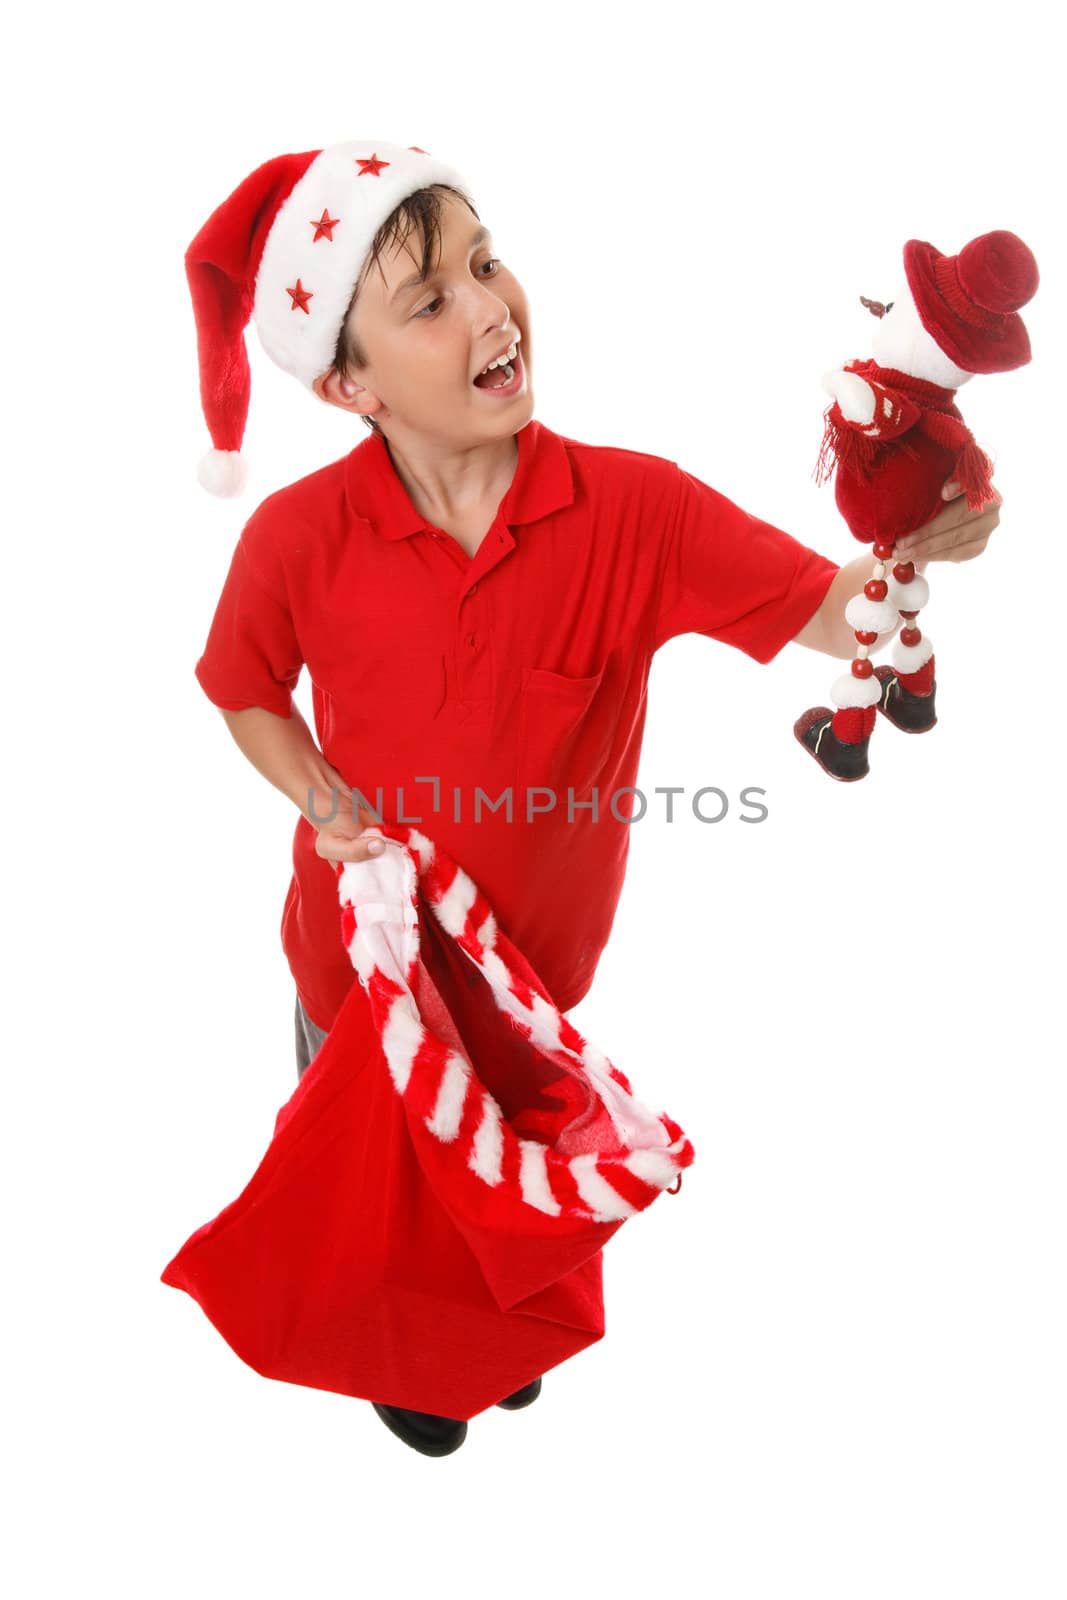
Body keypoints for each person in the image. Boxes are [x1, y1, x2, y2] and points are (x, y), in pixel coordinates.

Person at [185, 138, 1003, 1456]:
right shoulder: (297, 538)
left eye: (487, 261)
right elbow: (242, 689)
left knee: (507, 1231)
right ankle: (414, 1363)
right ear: (349, 382)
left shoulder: (636, 515)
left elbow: (832, 607)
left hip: (526, 1008)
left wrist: (912, 544)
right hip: (363, 993)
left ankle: (500, 1336)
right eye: (432, 301)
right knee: (394, 1241)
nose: (492, 306)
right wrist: (319, 790)